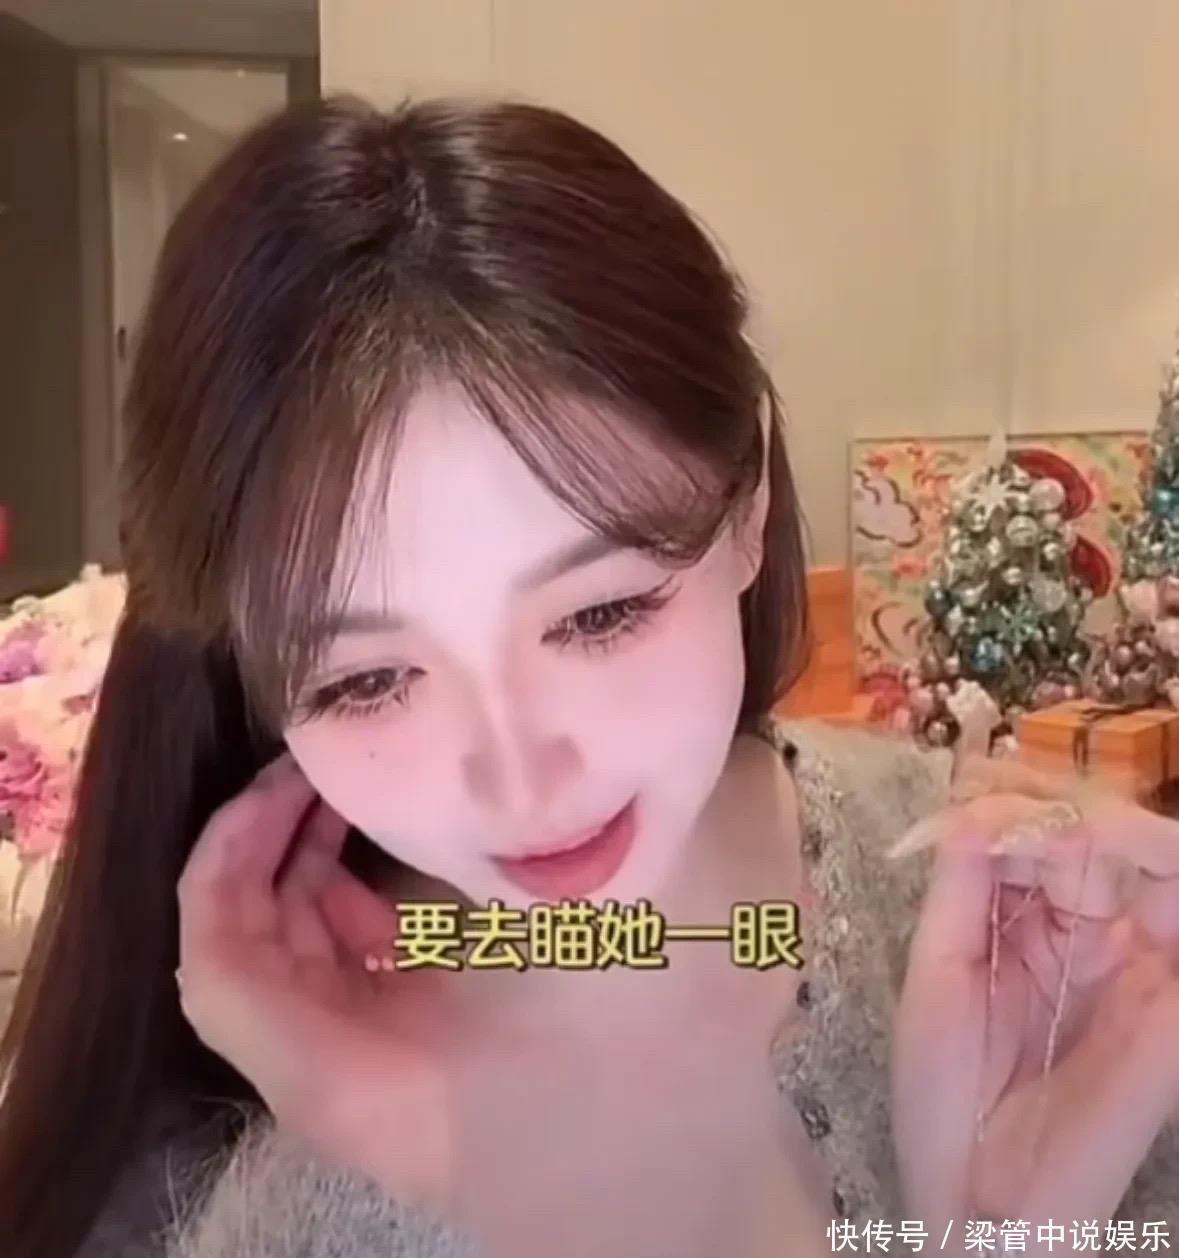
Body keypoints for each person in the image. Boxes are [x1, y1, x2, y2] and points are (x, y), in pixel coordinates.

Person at [1, 95, 1177, 1258]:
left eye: (601, 613)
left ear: (749, 504)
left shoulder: (1038, 941)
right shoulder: (193, 1168)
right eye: (367, 682)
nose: (522, 783)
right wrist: (388, 1175)